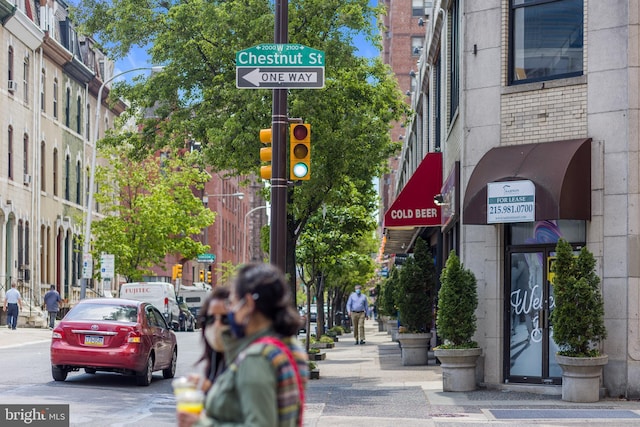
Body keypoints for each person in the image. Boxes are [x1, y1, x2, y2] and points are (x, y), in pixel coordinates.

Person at [177, 263, 308, 427]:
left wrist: (201, 424)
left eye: (232, 302)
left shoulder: (257, 357)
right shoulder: (288, 346)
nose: (230, 309)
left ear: (247, 304)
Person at [191, 286, 230, 393]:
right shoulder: (215, 359)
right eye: (210, 319)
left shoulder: (247, 362)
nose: (217, 325)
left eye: (225, 319)